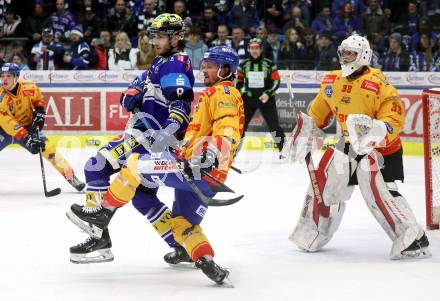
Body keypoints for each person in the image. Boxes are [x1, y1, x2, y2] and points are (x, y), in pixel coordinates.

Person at [67, 46, 243, 285]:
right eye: (205, 64)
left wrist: (211, 152)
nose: (204, 69)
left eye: (210, 65)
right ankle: (207, 261)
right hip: (207, 176)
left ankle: (102, 213)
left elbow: (227, 127)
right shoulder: (212, 94)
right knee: (183, 225)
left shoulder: (222, 92)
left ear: (225, 70)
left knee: (134, 165)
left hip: (197, 169)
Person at [283, 33, 430, 259]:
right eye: (343, 53)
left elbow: (394, 116)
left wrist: (376, 129)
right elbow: (319, 113)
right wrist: (306, 131)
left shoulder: (378, 82)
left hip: (379, 148)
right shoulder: (332, 80)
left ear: (363, 55)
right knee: (324, 181)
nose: (345, 57)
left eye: (350, 53)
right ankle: (312, 232)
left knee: (378, 190)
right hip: (349, 144)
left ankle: (412, 236)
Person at [66, 13, 194, 265]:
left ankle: (98, 230)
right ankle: (182, 246)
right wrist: (133, 93)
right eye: (153, 35)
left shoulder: (175, 64)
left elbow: (181, 104)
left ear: (177, 37)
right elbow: (131, 91)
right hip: (145, 135)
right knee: (143, 197)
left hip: (150, 137)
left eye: (160, 36)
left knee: (96, 166)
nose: (155, 40)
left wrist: (166, 132)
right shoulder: (161, 61)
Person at [0, 63, 85, 192]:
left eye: (9, 75)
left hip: (28, 127)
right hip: (4, 131)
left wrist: (39, 113)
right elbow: (8, 123)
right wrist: (26, 138)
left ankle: (71, 177)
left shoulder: (29, 86)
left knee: (50, 150)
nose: (4, 79)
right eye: (2, 76)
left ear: (16, 77)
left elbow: (38, 99)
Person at [237, 38, 284, 156]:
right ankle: (234, 151)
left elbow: (276, 81)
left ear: (261, 49)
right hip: (248, 100)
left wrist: (268, 94)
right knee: (240, 127)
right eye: (252, 48)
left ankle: (284, 151)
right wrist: (244, 92)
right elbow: (238, 83)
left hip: (266, 99)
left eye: (257, 48)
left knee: (274, 127)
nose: (254, 51)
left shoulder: (269, 64)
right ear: (248, 49)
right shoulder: (243, 65)